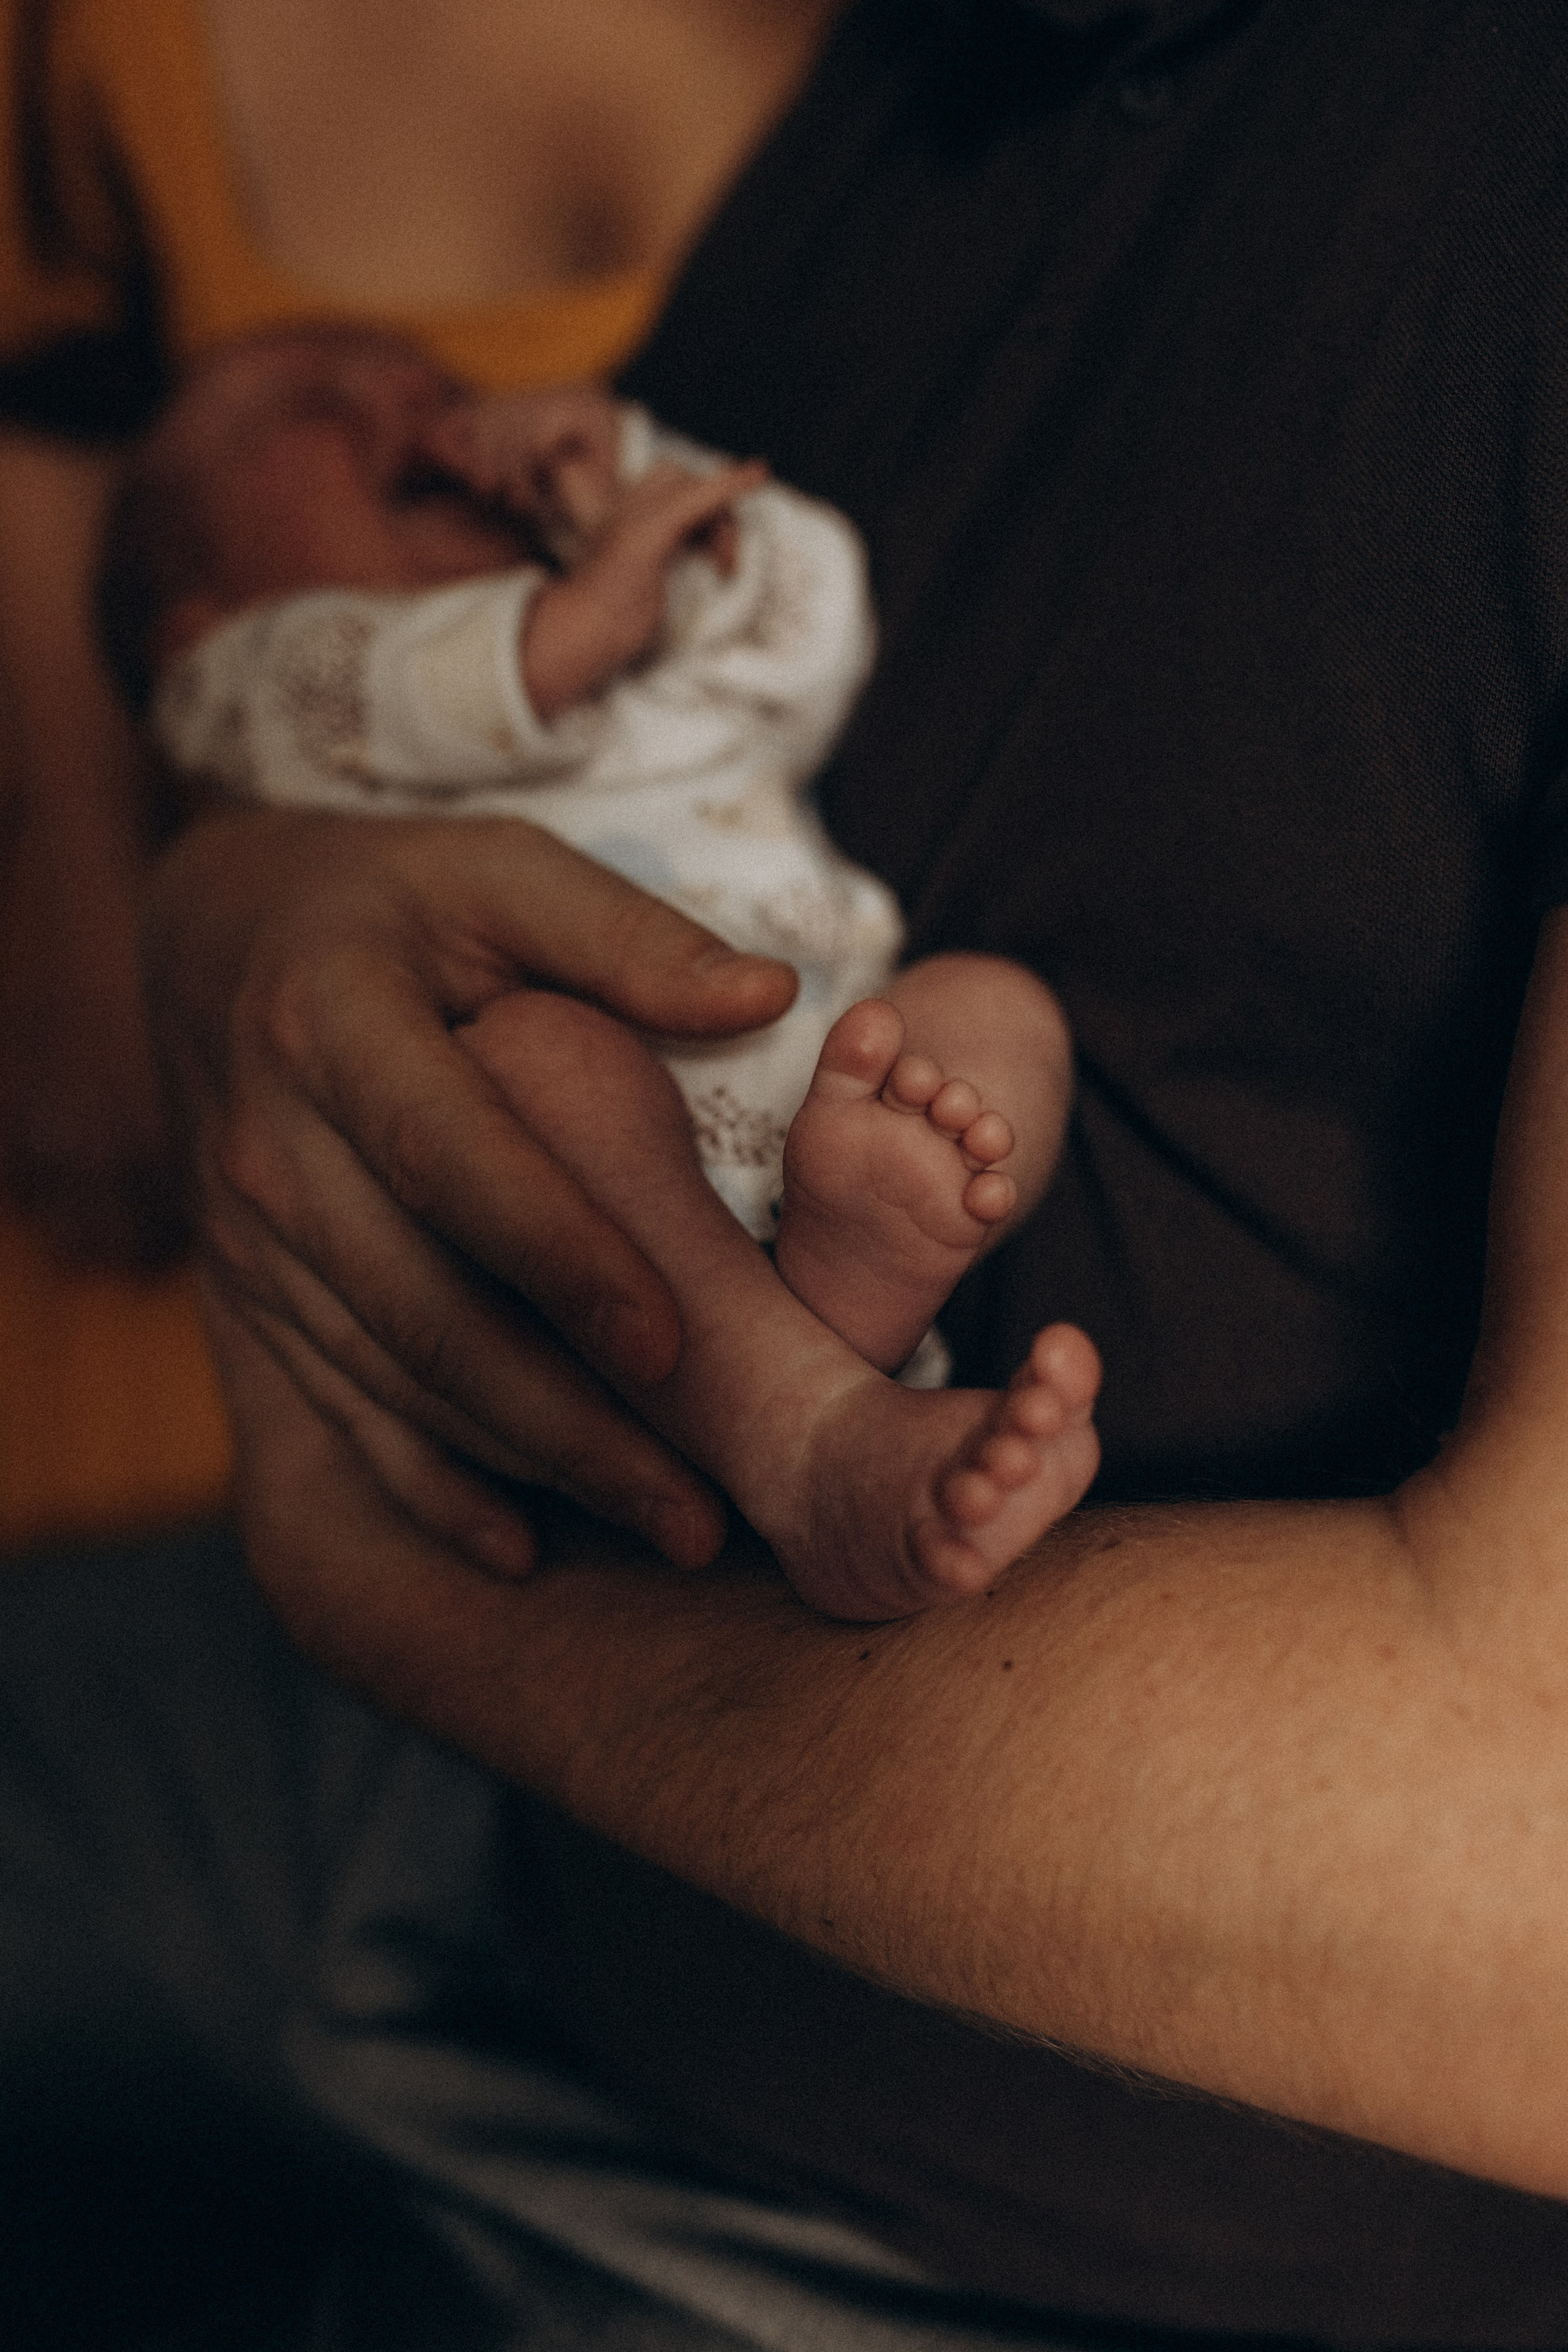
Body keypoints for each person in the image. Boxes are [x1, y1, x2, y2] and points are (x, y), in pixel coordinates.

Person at [13, 0, 1568, 2345]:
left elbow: (1524, 1899)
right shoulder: (960, 74)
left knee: (959, 1043)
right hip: (482, 1792)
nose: (411, 419)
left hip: (939, 2216)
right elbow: (762, 640)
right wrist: (251, 926)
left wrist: (436, 1621)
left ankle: (807, 1387)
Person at [115, 325, 1098, 1616]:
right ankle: (807, 1439)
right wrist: (577, 615)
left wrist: (635, 484)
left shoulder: (651, 638)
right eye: (308, 400)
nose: (404, 391)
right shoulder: (253, 694)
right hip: (596, 1162)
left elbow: (814, 632)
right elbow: (394, 691)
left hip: (833, 1076)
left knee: (991, 1007)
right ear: (198, 613)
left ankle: (849, 1278)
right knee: (533, 1063)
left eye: (431, 378)